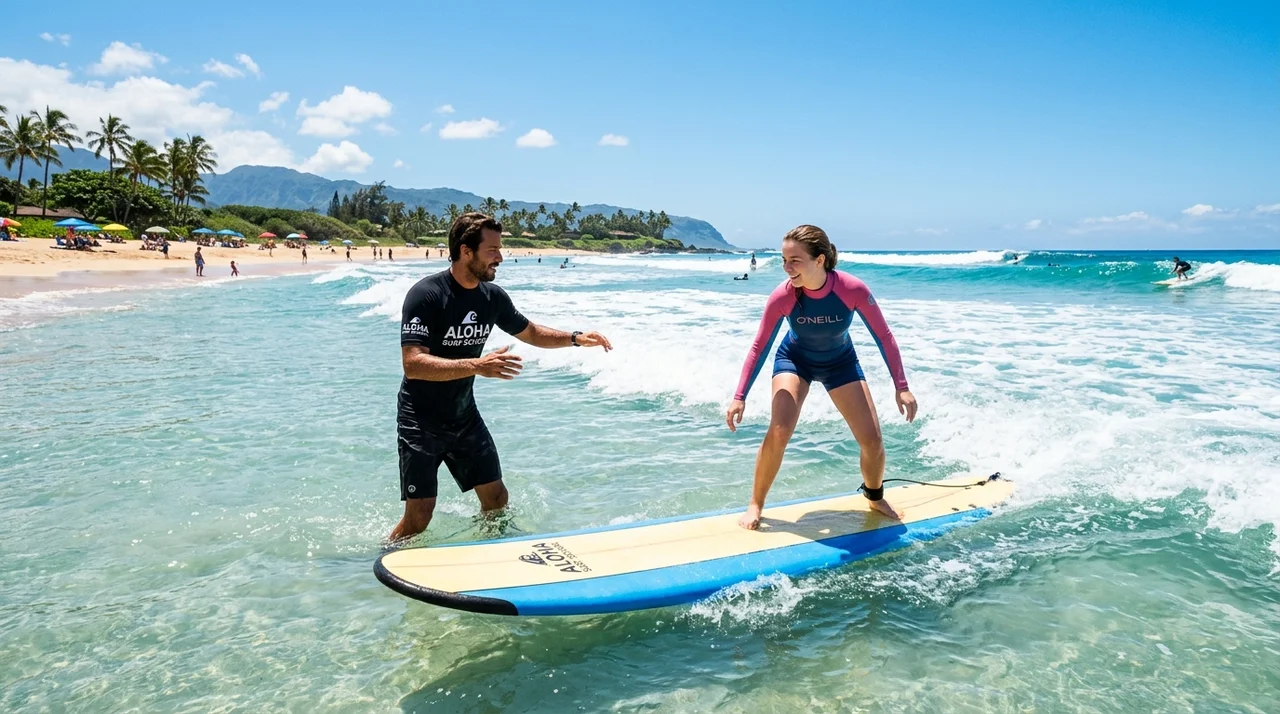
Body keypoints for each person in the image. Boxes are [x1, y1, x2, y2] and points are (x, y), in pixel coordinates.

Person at [389, 213, 613, 542]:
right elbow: (414, 364)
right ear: (467, 252)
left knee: (496, 500)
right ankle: (383, 558)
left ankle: (489, 552)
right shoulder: (427, 295)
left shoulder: (491, 297)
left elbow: (532, 332)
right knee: (420, 516)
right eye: (492, 249)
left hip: (463, 416)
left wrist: (576, 337)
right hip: (420, 420)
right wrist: (477, 365)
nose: (500, 257)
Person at [726, 225, 917, 529]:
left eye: (795, 260)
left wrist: (902, 387)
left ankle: (875, 495)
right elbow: (760, 346)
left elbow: (884, 336)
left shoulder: (852, 289)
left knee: (872, 440)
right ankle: (755, 504)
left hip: (840, 362)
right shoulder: (783, 296)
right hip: (795, 360)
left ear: (820, 260)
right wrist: (739, 396)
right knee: (779, 429)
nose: (787, 268)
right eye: (784, 260)